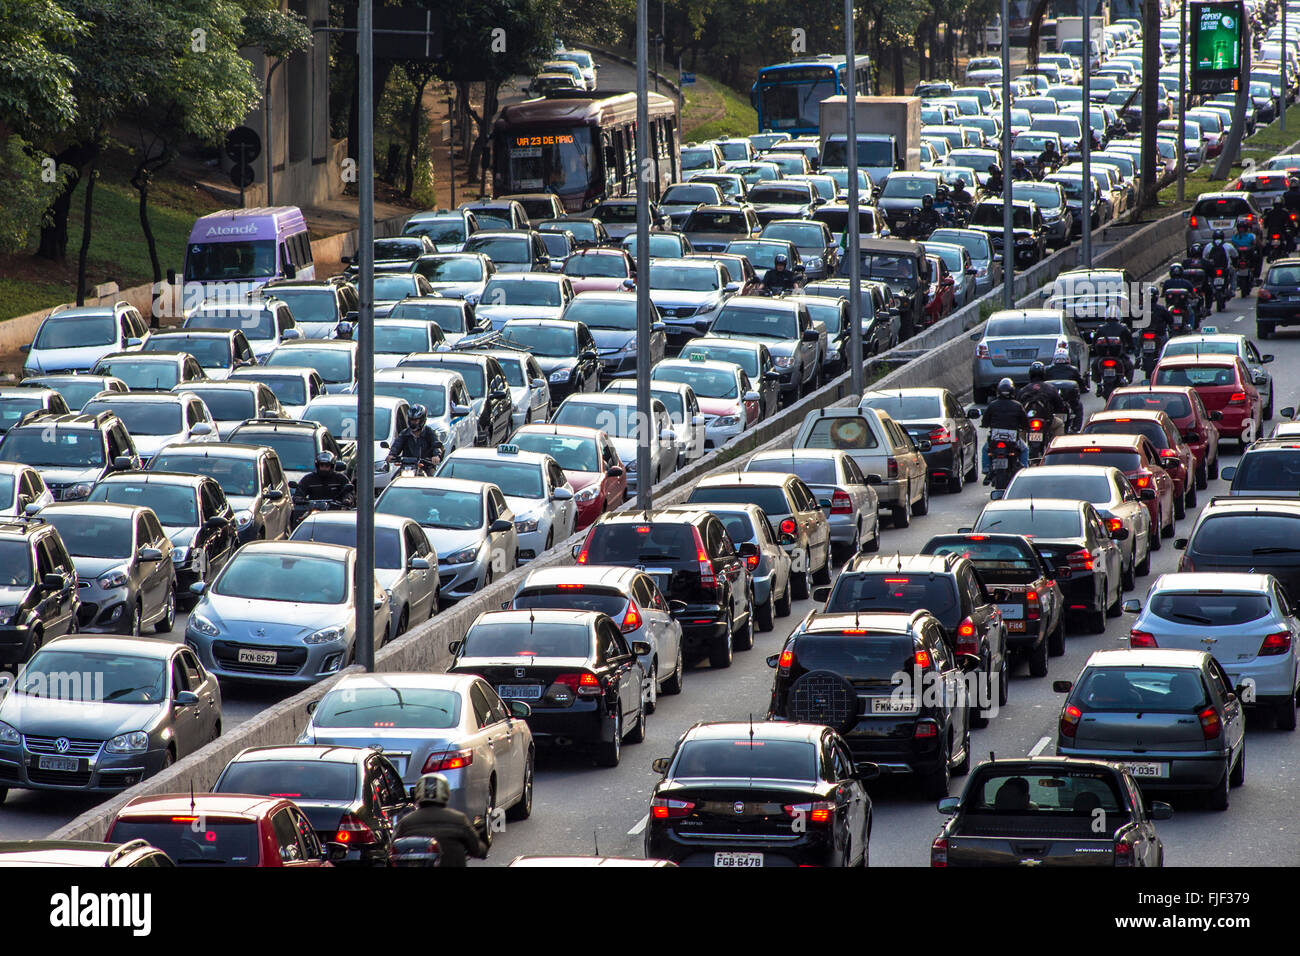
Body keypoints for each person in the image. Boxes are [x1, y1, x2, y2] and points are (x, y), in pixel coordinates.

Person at [391, 773, 487, 868]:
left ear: (418, 793)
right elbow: (478, 850)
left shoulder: (405, 822)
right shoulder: (459, 820)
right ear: (445, 793)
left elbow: (392, 849)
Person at [980, 377, 1030, 482]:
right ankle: (1024, 470)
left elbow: (985, 421)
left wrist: (985, 425)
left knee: (985, 449)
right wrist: (1025, 427)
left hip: (995, 437)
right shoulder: (1018, 405)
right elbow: (1025, 422)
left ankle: (986, 469)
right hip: (1012, 439)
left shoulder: (992, 405)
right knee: (1025, 449)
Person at [387, 403, 445, 475]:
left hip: (426, 467)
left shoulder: (430, 433)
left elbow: (437, 444)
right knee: (394, 479)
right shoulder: (404, 433)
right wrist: (392, 454)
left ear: (422, 420)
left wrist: (436, 455)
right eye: (411, 420)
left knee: (433, 480)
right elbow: (397, 445)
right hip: (407, 467)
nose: (413, 423)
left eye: (415, 420)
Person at [1092, 306, 1135, 385]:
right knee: (1130, 366)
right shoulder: (1124, 328)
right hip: (1119, 356)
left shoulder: (1100, 329)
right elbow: (1131, 343)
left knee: (1094, 365)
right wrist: (1130, 348)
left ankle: (1098, 383)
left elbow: (1093, 344)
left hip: (1107, 356)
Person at [1049, 347, 1086, 430]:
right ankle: (1076, 428)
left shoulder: (1048, 369)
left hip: (1057, 399)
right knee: (1078, 407)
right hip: (1066, 398)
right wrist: (1084, 388)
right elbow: (1080, 382)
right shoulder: (1073, 369)